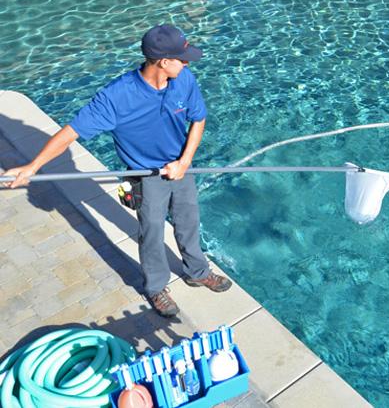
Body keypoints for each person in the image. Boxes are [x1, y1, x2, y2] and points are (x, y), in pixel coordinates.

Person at [2, 24, 231, 317]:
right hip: (144, 175)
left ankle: (197, 272)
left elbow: (198, 120)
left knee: (188, 221)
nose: (187, 63)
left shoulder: (184, 80)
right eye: (182, 58)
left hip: (180, 166)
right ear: (163, 62)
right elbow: (70, 133)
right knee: (151, 231)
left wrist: (185, 161)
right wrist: (32, 167)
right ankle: (156, 287)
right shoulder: (116, 97)